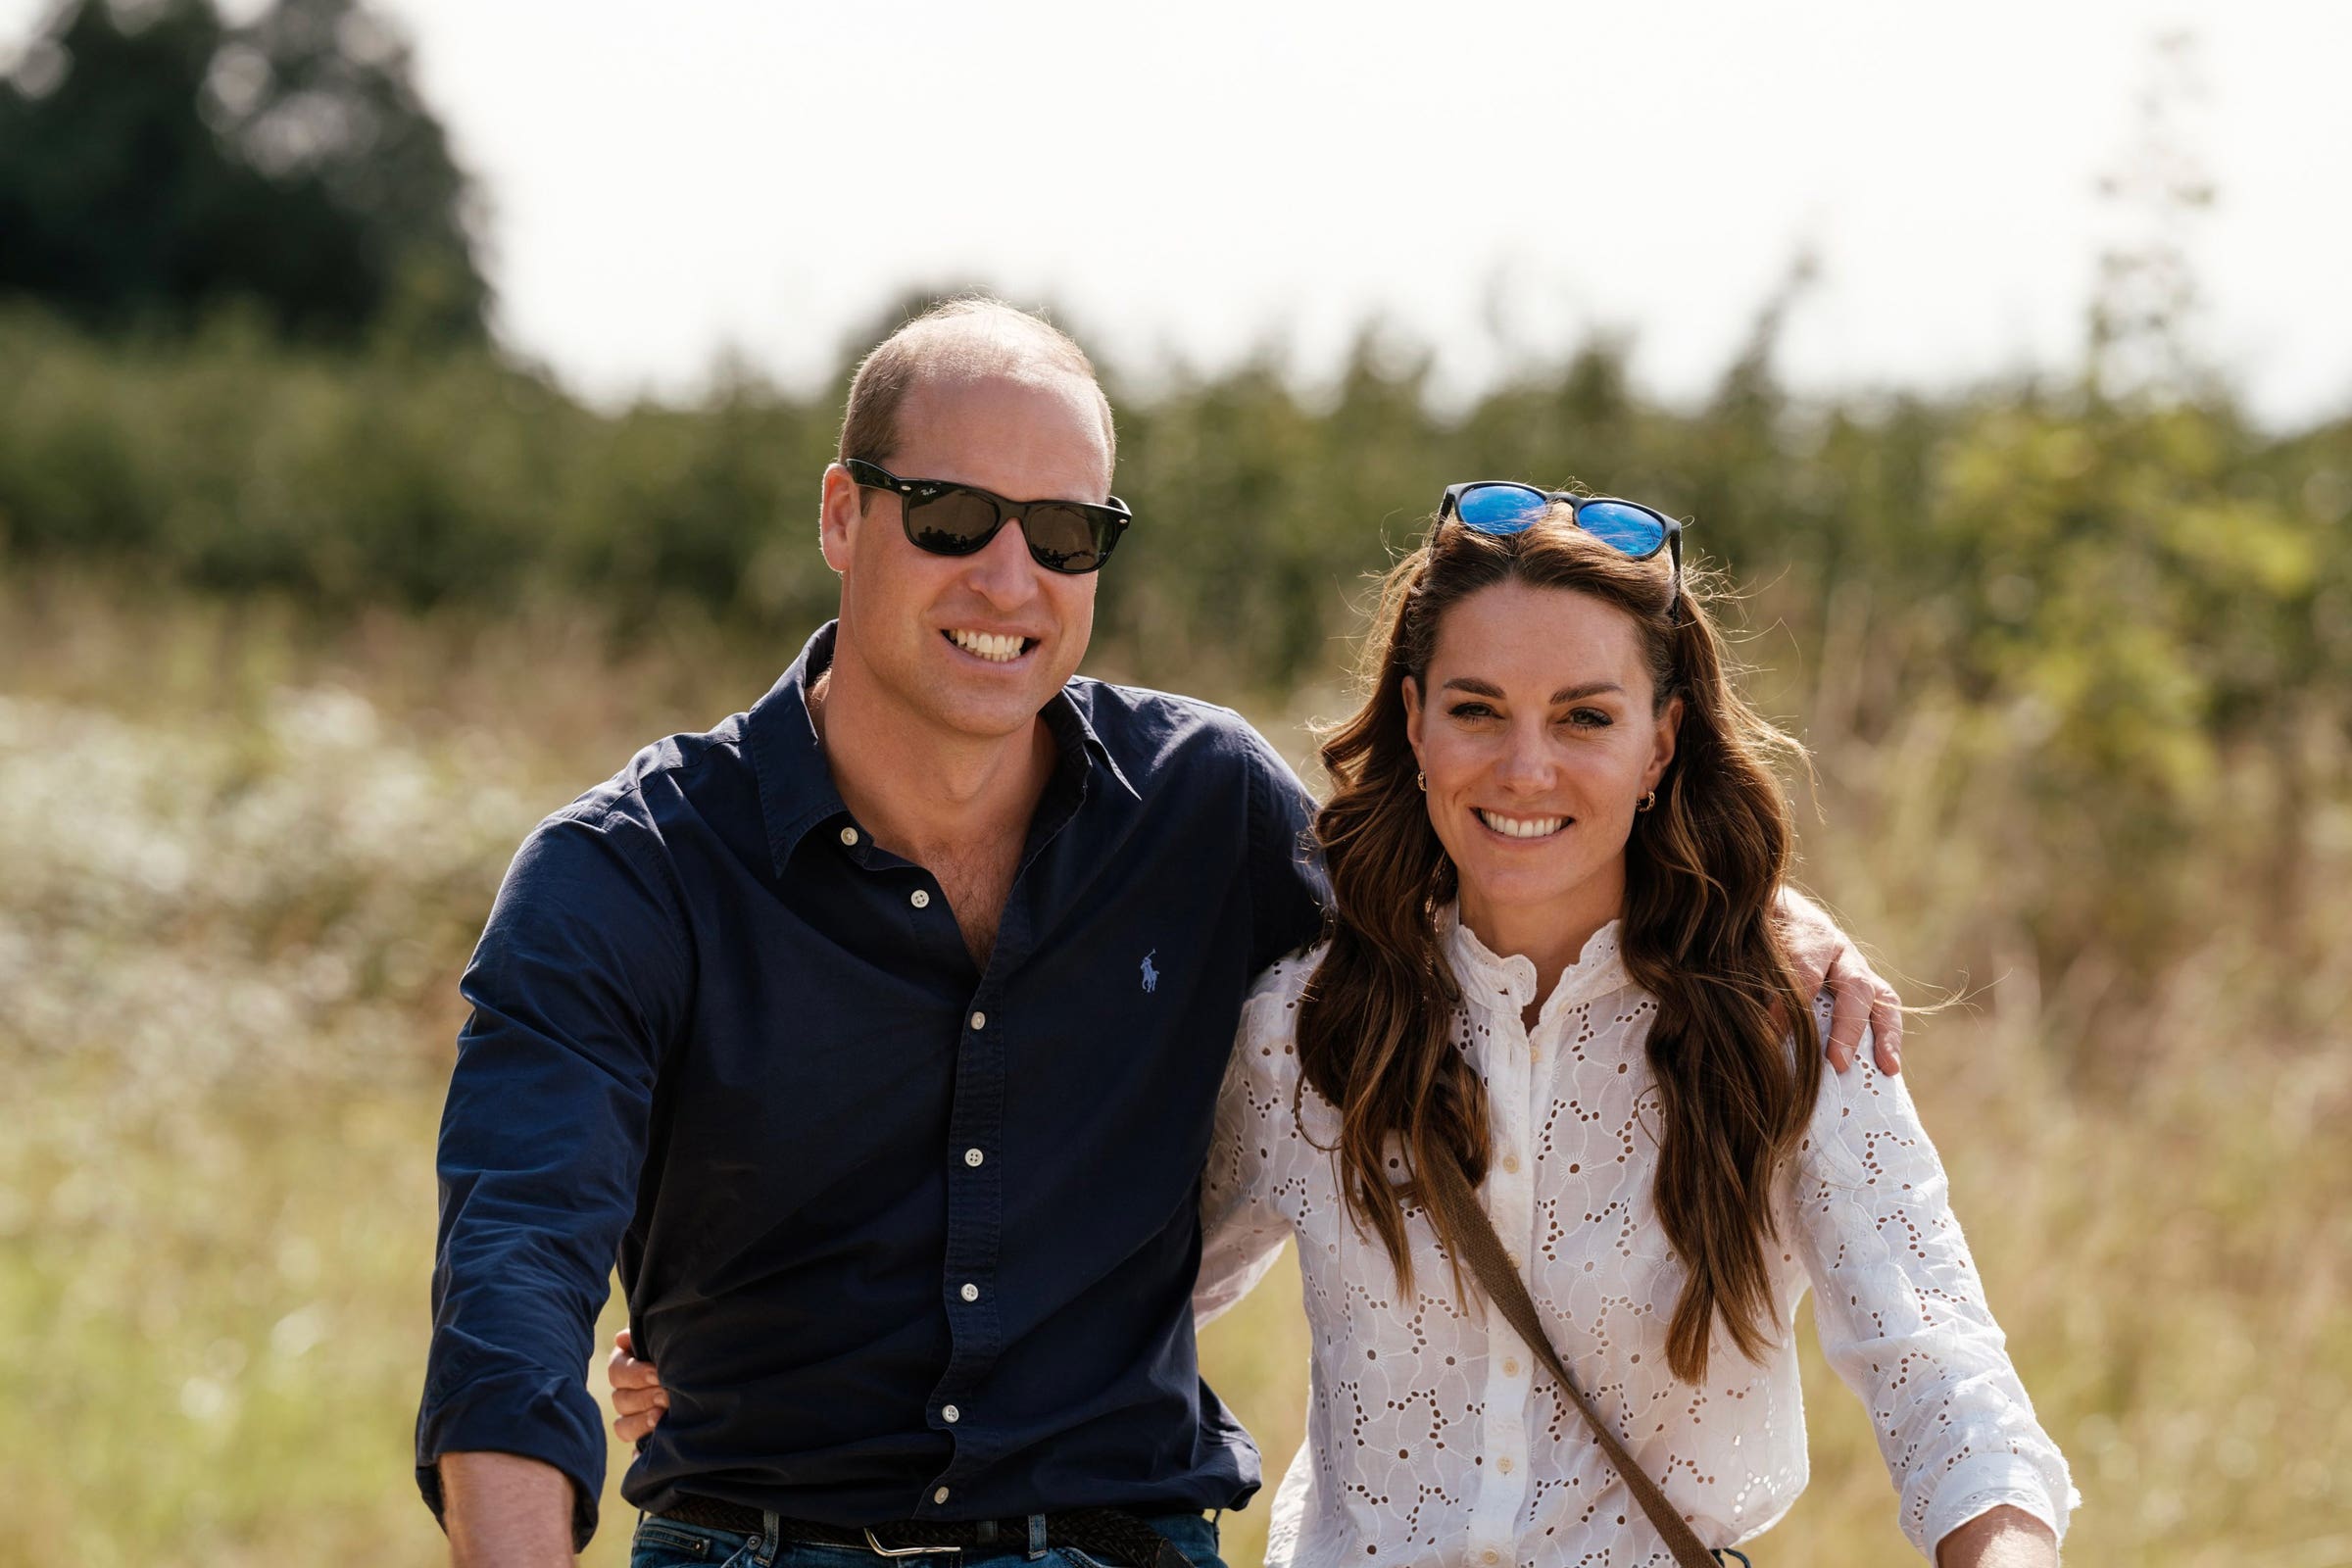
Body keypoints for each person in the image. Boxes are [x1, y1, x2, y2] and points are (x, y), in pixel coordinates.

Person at [421, 298, 1899, 1568]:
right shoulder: (625, 880)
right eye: (950, 517)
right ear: (838, 512)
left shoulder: (1203, 813)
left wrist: (1761, 914)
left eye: (1065, 534)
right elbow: (512, 1286)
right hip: (756, 1541)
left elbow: (1493, 890)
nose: (1009, 580)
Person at [622, 484, 2077, 1565]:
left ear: (1662, 742)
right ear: (1415, 720)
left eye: (1583, 717)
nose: (1525, 766)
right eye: (1476, 709)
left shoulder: (1788, 1033)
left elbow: (1938, 1365)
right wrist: (773, 1354)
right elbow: (1098, 1282)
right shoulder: (1307, 1024)